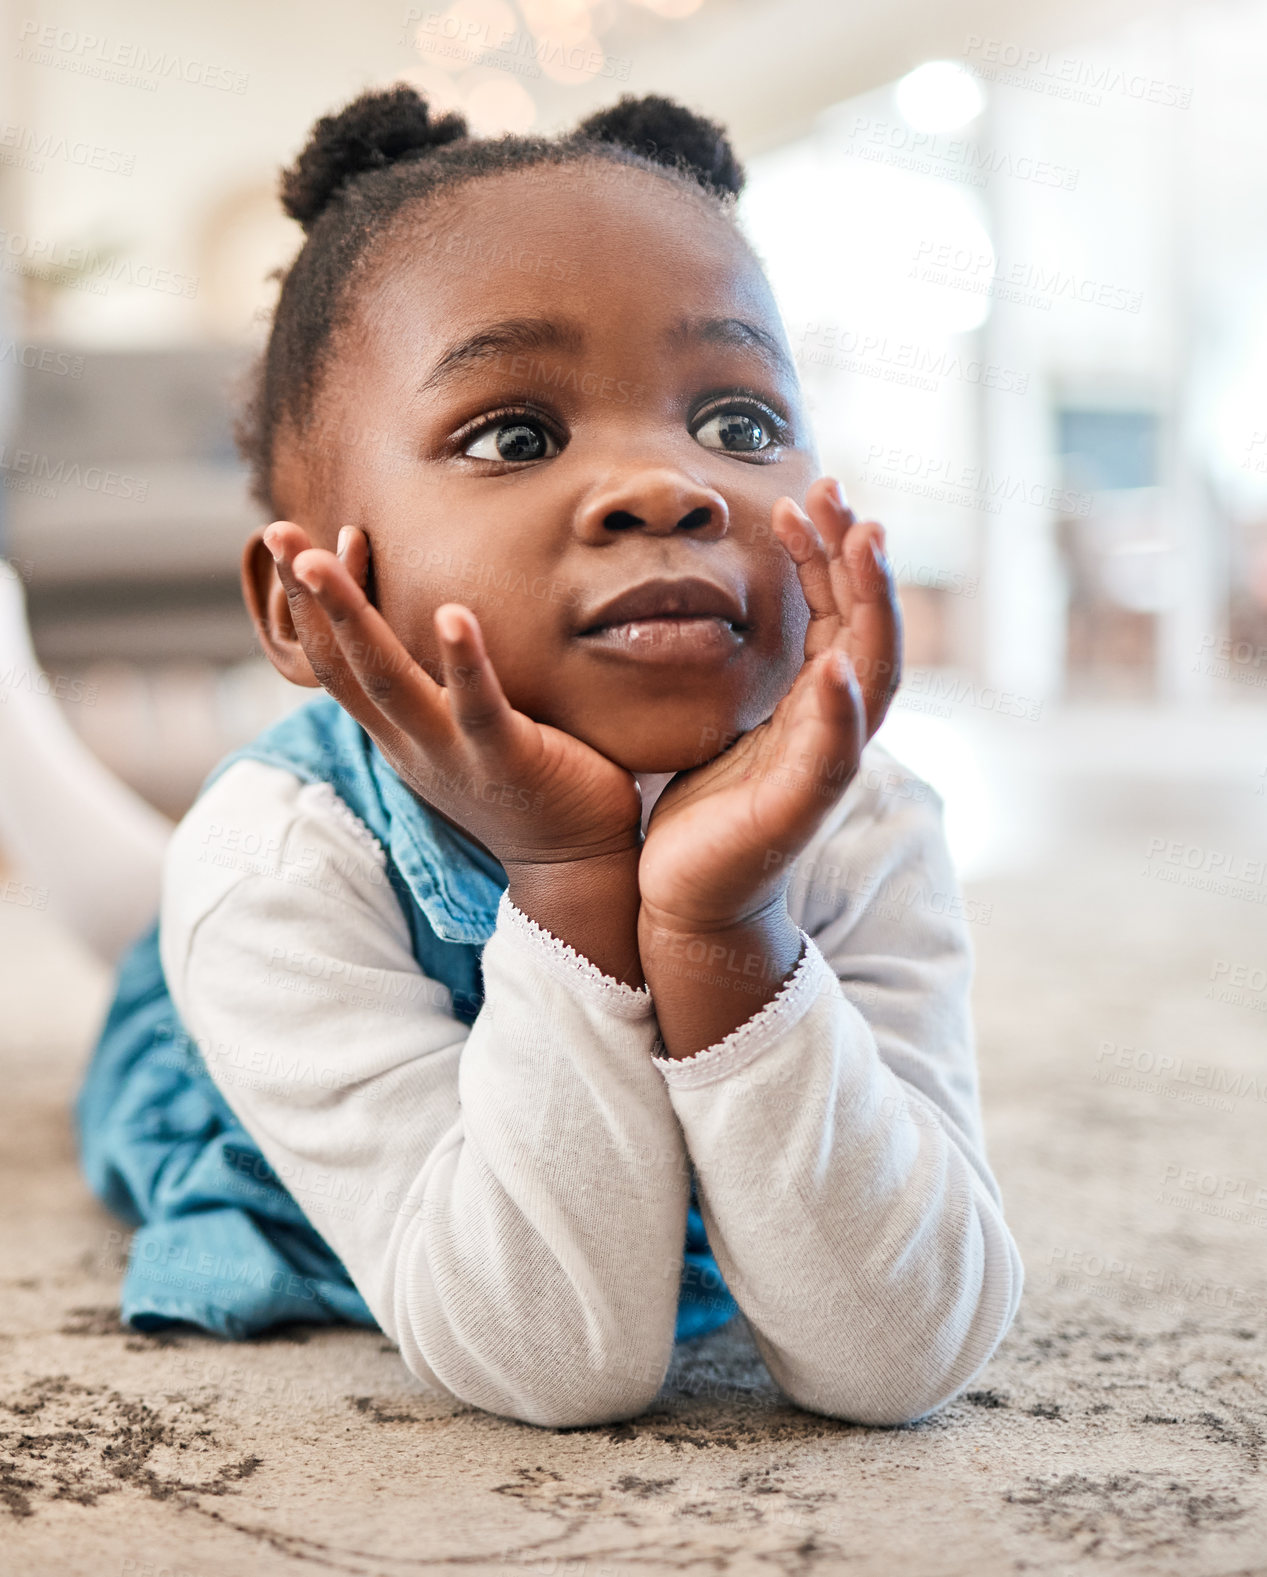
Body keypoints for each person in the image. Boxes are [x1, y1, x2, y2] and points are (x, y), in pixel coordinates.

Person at [71, 85, 1022, 1430]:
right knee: (172, 912)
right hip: (280, 966)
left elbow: (904, 1348)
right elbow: (558, 1358)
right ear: (303, 603)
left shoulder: (864, 819)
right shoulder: (278, 867)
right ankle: (61, 809)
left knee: (178, 894)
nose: (665, 485)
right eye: (515, 433)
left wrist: (723, 923)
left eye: (738, 424)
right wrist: (574, 874)